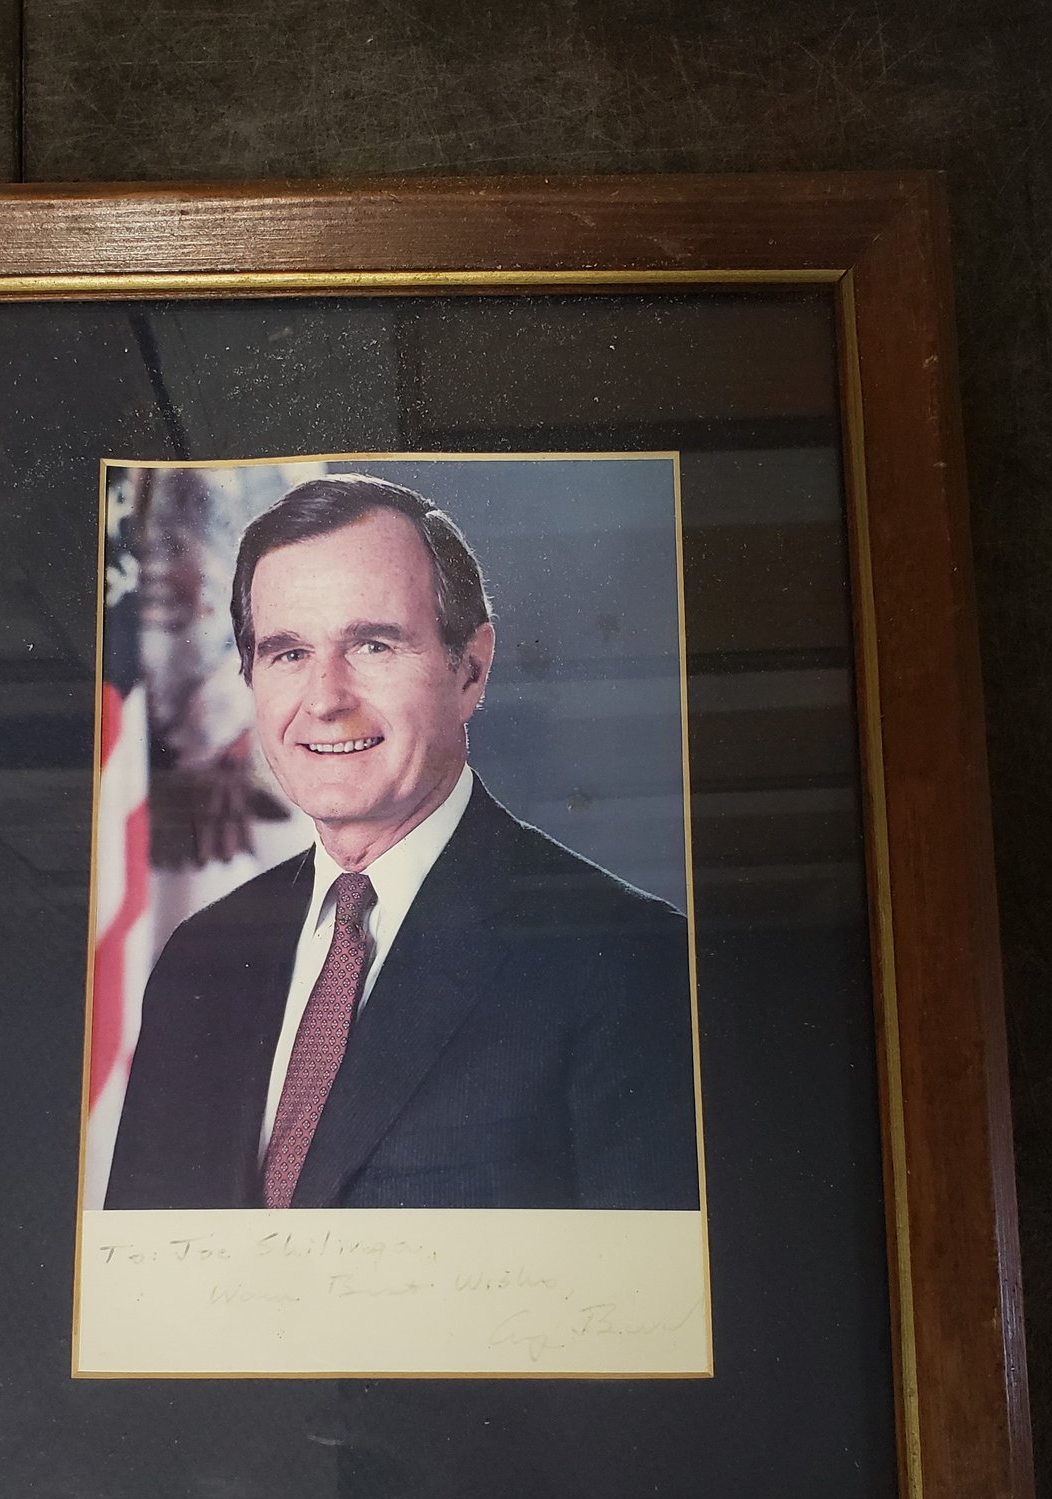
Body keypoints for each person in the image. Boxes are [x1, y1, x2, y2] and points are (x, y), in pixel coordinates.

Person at [104, 474, 700, 1211]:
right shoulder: (200, 958)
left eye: (373, 645)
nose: (326, 698)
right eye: (288, 653)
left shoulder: (623, 956)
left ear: (470, 669)